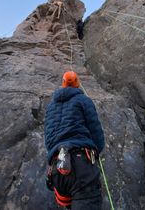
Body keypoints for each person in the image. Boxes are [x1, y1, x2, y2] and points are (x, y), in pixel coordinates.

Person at [44, 71, 105, 209]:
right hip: (81, 165)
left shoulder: (51, 106)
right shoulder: (84, 100)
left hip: (57, 168)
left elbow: (48, 139)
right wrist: (97, 150)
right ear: (77, 83)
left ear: (63, 83)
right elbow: (95, 129)